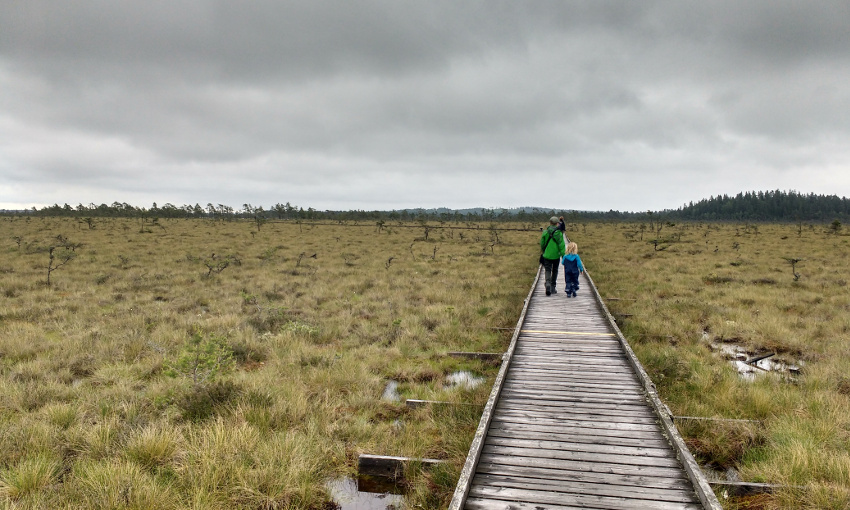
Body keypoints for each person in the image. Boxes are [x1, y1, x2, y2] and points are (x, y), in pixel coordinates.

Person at [540, 217, 566, 295]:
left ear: (550, 223)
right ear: (557, 223)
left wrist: (543, 250)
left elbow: (542, 243)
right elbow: (561, 246)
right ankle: (553, 287)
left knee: (547, 270)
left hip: (547, 255)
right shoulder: (559, 233)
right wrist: (563, 256)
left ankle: (547, 283)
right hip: (556, 255)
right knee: (555, 270)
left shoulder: (545, 232)